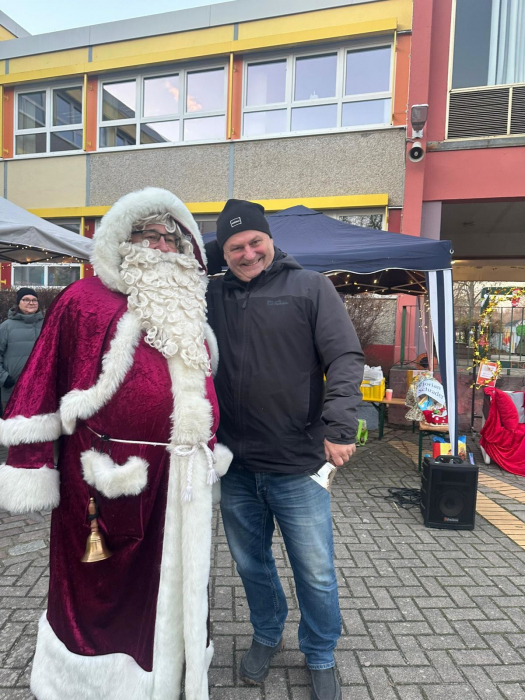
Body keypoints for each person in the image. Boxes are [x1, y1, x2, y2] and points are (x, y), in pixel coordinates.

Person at [0, 187, 232, 700]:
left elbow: (199, 389)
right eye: (149, 235)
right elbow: (39, 382)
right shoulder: (83, 301)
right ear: (122, 240)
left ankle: (168, 673)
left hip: (179, 476)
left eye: (172, 238)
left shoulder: (190, 308)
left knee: (174, 581)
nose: (162, 246)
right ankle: (91, 684)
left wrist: (209, 443)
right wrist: (30, 464)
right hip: (105, 477)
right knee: (101, 586)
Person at [206, 199, 364, 700]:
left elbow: (345, 356)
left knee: (315, 572)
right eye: (235, 247)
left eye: (255, 242)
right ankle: (267, 633)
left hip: (297, 463)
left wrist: (341, 427)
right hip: (234, 465)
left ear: (270, 240)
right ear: (222, 251)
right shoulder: (210, 294)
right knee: (251, 564)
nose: (247, 253)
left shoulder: (310, 287)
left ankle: (319, 652)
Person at [0, 287, 43, 409]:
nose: (31, 303)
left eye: (34, 300)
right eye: (26, 299)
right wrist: (3, 378)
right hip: (13, 389)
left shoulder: (47, 325)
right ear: (19, 303)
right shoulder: (6, 327)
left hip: (42, 389)